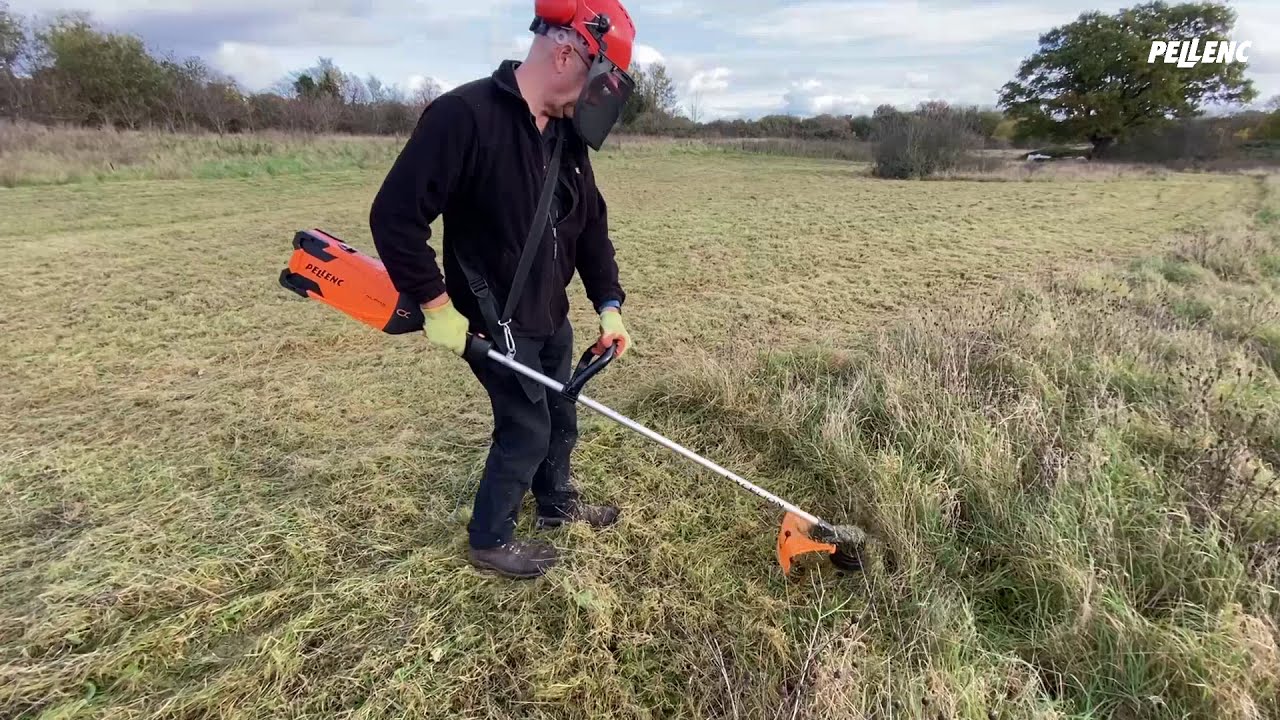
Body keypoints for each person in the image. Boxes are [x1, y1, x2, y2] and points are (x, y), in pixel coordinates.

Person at [369, 0, 638, 580]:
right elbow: (395, 218)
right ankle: (489, 538)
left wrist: (610, 306)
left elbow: (591, 225)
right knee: (525, 428)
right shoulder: (463, 117)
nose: (593, 104)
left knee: (561, 414)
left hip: (551, 313)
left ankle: (555, 505)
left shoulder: (566, 139)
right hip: (494, 321)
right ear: (567, 53)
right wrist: (437, 306)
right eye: (597, 85)